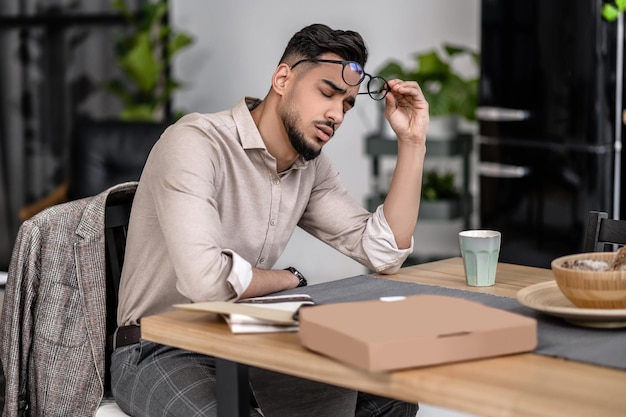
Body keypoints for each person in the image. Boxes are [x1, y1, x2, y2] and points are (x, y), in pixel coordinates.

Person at [111, 23, 428, 416]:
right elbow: (206, 282)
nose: (337, 114)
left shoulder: (310, 170)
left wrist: (412, 142)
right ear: (283, 78)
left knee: (394, 398)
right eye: (327, 92)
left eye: (347, 104)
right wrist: (287, 278)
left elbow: (383, 250)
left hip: (250, 341)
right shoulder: (195, 142)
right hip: (161, 348)